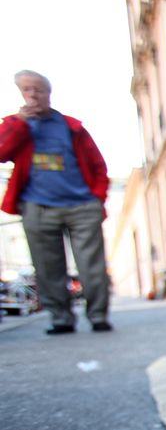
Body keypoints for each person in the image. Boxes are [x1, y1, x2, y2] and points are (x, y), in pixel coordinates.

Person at [0, 70, 112, 334]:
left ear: (48, 93)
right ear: (20, 94)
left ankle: (98, 315)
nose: (33, 95)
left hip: (81, 205)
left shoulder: (71, 127)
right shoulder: (15, 125)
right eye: (27, 90)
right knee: (48, 268)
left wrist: (97, 198)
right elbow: (2, 152)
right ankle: (60, 318)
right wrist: (20, 124)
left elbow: (98, 166)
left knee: (91, 266)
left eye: (38, 89)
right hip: (37, 206)